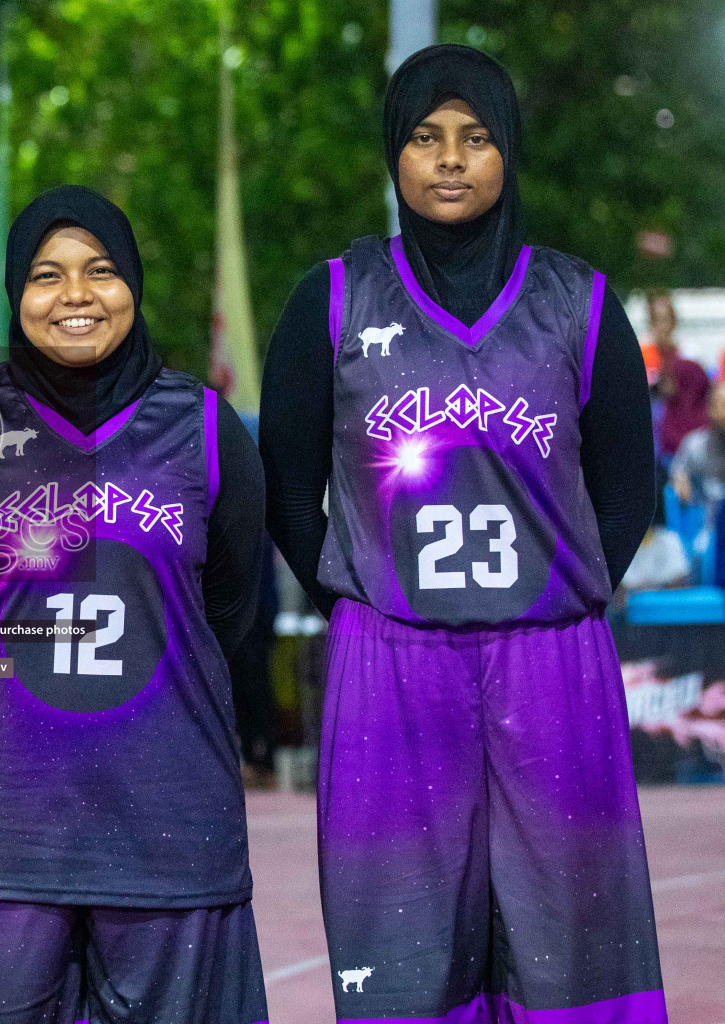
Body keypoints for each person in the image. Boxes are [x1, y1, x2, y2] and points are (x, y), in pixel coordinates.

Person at [260, 44, 664, 1023]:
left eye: (476, 137)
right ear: (394, 154)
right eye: (426, 137)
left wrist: (561, 597)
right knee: (403, 952)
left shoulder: (580, 302)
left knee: (573, 951)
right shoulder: (335, 299)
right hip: (390, 664)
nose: (450, 159)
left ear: (507, 153)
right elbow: (286, 485)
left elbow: (625, 484)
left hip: (550, 661)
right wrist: (363, 606)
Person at [0, 186, 269, 1024]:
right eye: (46, 275)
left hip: (168, 827)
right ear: (13, 293)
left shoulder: (205, 427)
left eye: (100, 270)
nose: (74, 295)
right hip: (1, 833)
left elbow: (228, 611)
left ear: (132, 285)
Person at [648, 289, 709, 459]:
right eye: (655, 320)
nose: (661, 326)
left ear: (673, 321)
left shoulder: (689, 352)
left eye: (665, 319)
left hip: (685, 436)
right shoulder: (642, 354)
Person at [670, 380, 725, 510]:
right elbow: (678, 472)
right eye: (722, 405)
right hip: (704, 523)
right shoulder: (695, 445)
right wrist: (679, 480)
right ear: (711, 408)